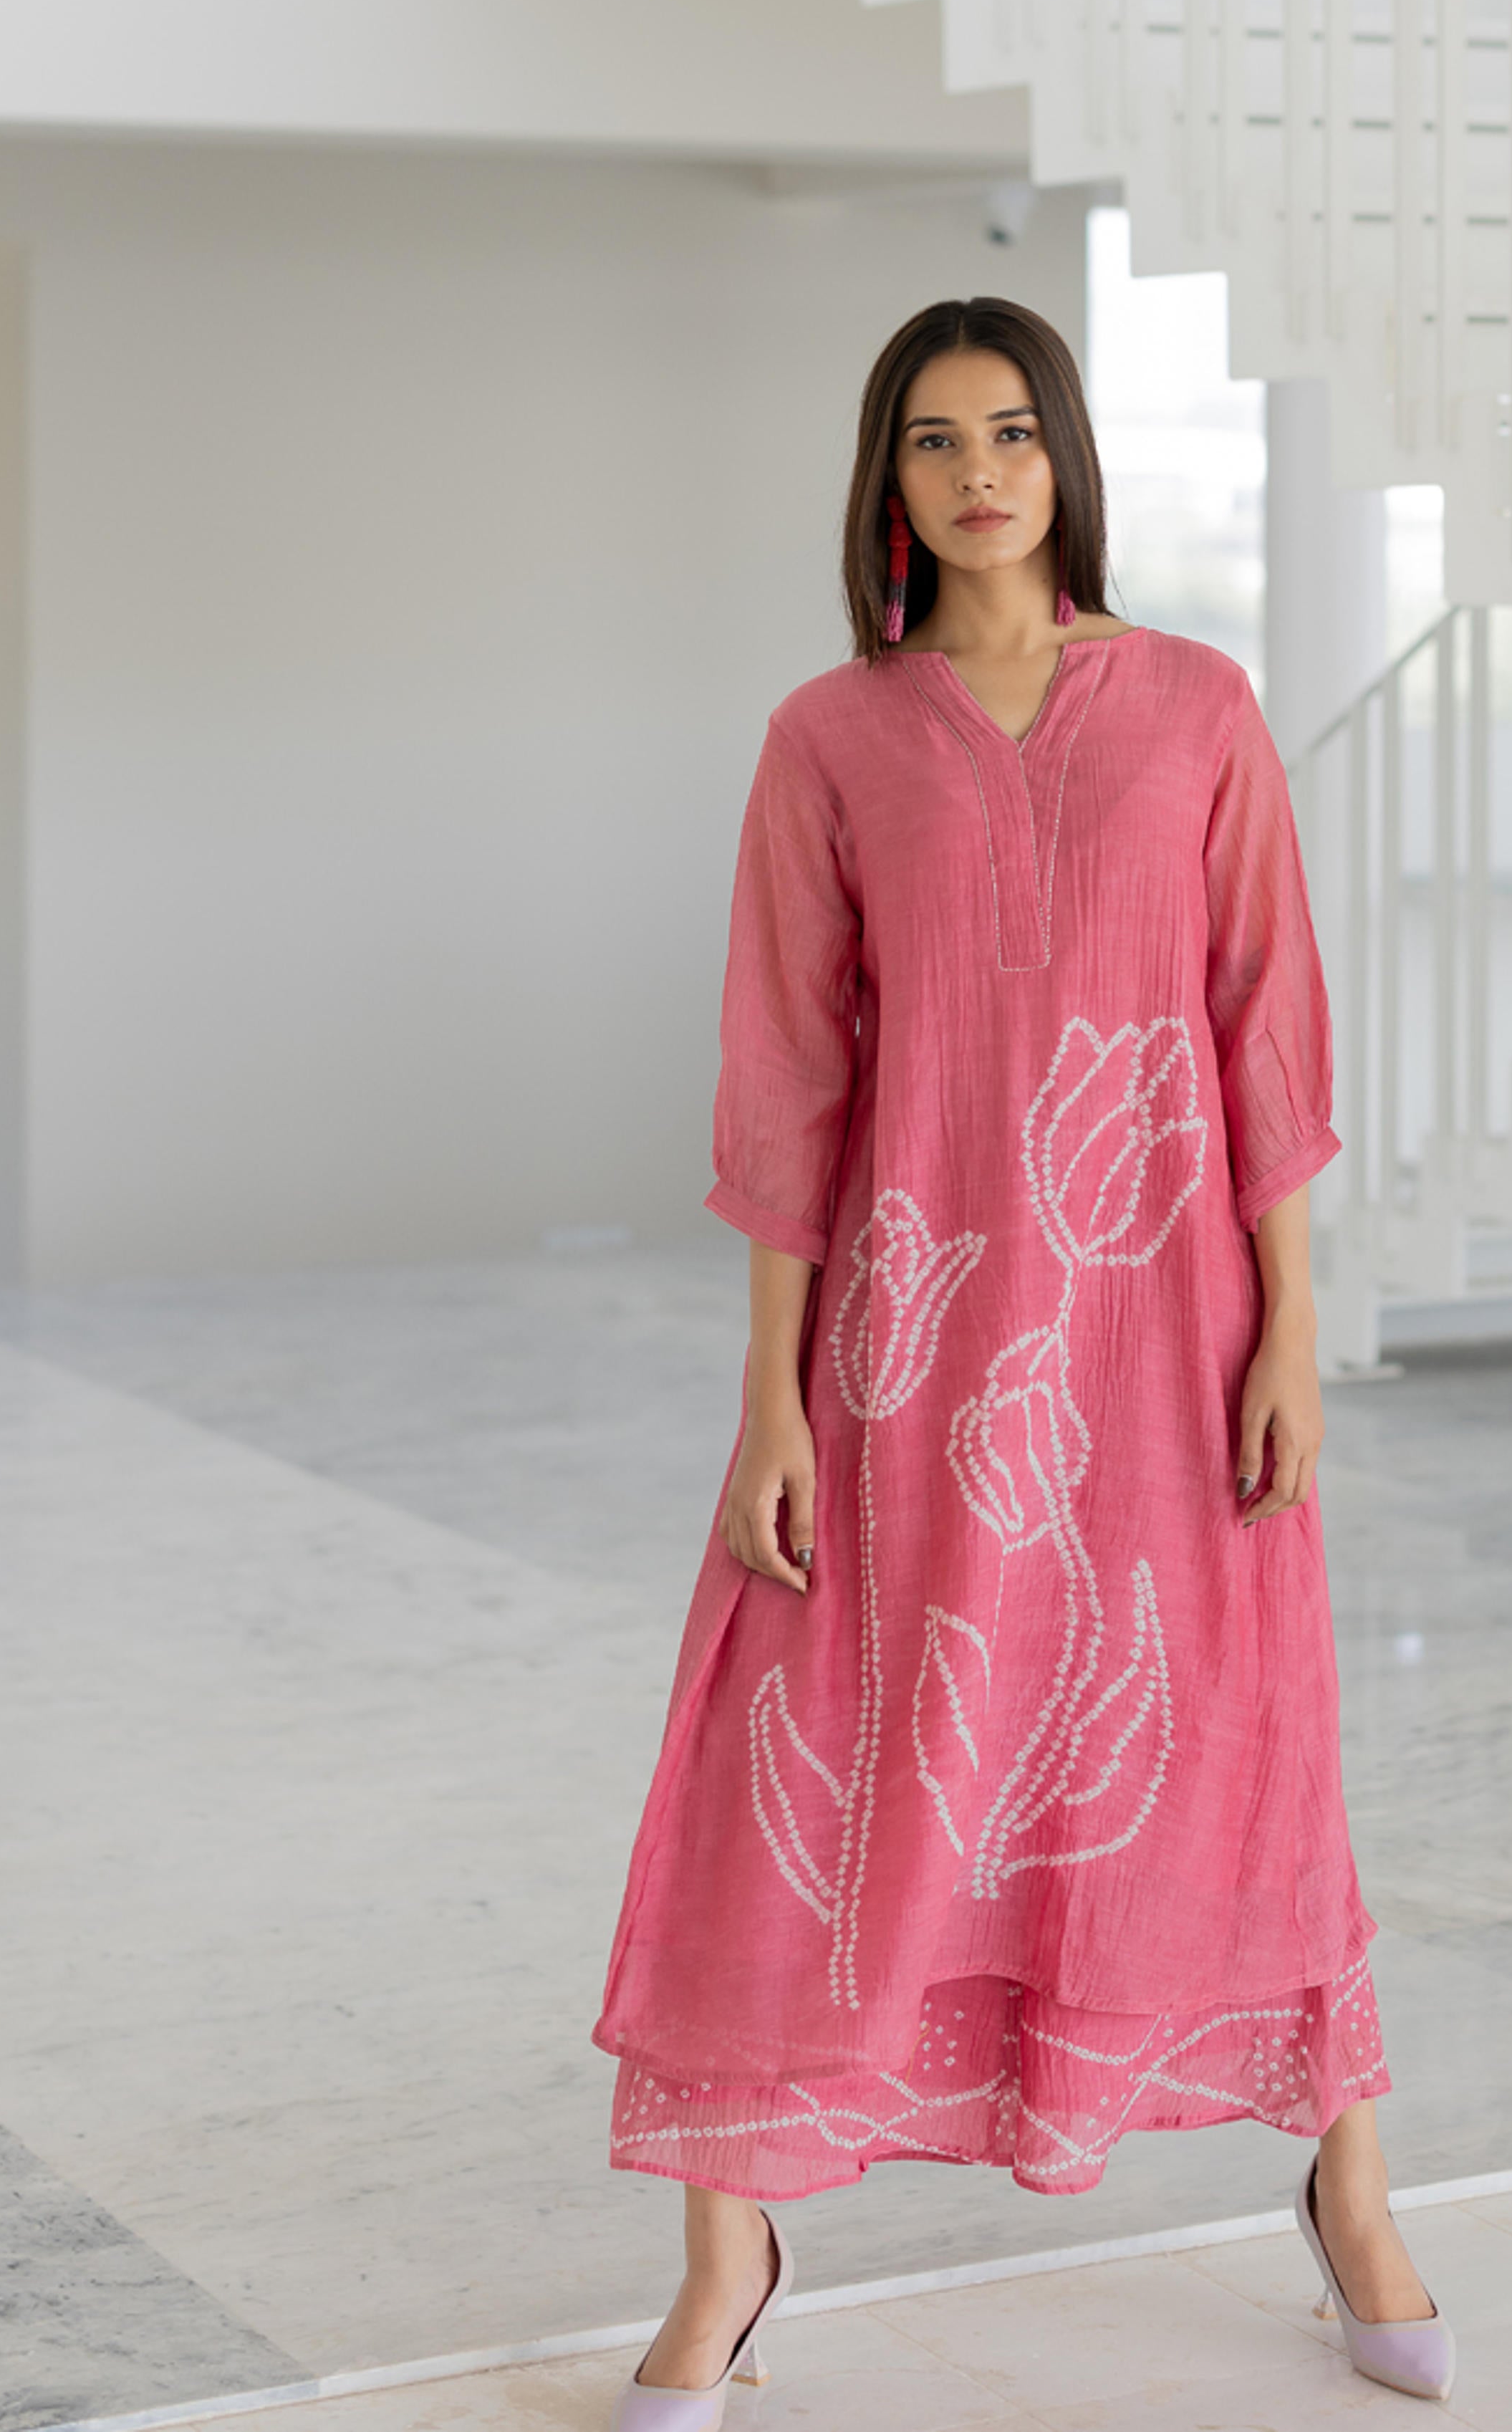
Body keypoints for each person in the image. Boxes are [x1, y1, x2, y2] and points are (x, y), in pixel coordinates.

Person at [594, 294, 1450, 2426]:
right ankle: (727, 2250)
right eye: (932, 438)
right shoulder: (831, 737)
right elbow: (785, 1086)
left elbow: (1261, 1034)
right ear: (884, 480)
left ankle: (1348, 2185)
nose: (978, 473)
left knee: (1245, 1741)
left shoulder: (1195, 708)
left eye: (1010, 432)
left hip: (1165, 1339)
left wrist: (1291, 1328)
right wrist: (770, 1398)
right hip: (907, 1349)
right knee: (793, 1748)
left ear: (1066, 455)